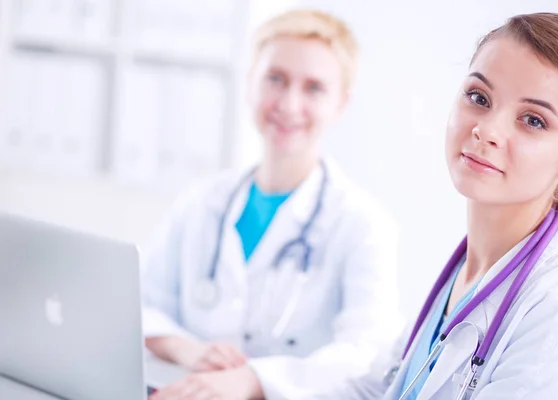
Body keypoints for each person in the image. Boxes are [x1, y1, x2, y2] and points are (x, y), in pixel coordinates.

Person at [312, 12, 558, 400]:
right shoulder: (467, 271)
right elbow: (382, 387)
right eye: (479, 98)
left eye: (532, 120)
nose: (488, 130)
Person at [143, 9, 402, 400]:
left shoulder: (362, 224)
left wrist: (254, 379)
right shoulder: (203, 202)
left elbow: (367, 356)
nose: (289, 103)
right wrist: (189, 350)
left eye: (314, 88)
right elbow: (141, 306)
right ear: (251, 83)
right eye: (275, 79)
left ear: (341, 104)